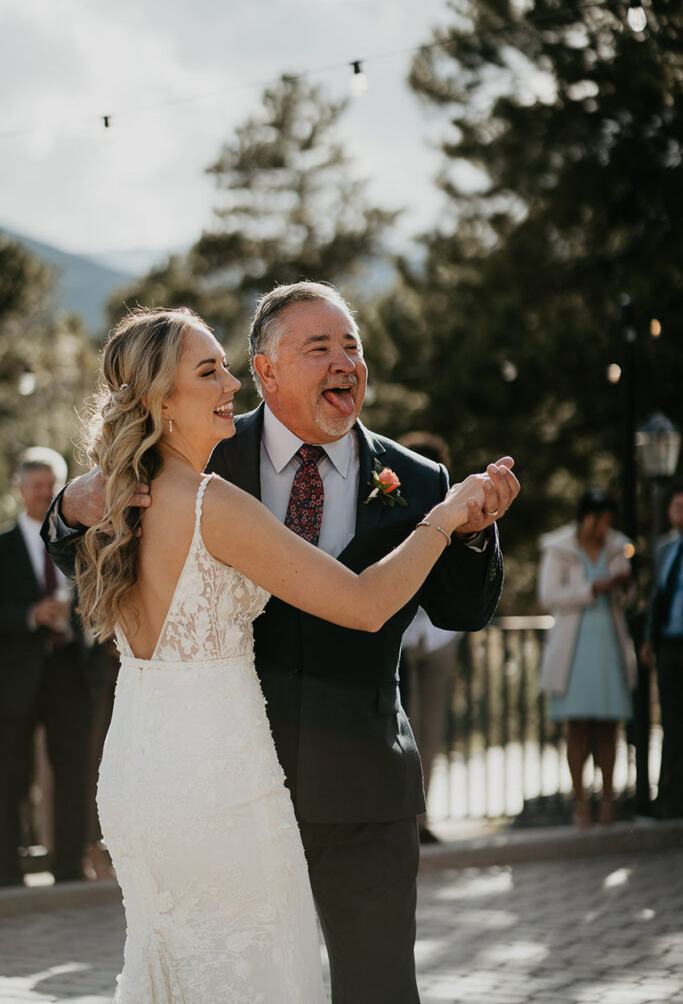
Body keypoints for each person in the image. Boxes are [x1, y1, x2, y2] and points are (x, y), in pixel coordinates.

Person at [44, 286, 519, 1002]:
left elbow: (461, 607)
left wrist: (468, 526)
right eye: (319, 347)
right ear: (266, 371)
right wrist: (66, 504)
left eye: (352, 346)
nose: (343, 362)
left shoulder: (414, 479)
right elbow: (359, 604)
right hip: (229, 786)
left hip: (332, 781)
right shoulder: (203, 470)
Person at [0, 447, 92, 886]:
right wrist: (29, 616)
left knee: (73, 773)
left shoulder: (80, 544)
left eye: (51, 486)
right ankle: (6, 873)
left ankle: (69, 868)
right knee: (10, 776)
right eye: (35, 486)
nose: (43, 494)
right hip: (14, 679)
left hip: (70, 673)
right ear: (21, 490)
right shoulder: (2, 548)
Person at [538, 490, 637, 829]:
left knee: (609, 726)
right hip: (574, 649)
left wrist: (623, 585)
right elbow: (548, 595)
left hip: (609, 643)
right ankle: (581, 804)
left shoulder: (619, 546)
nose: (604, 527)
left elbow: (630, 596)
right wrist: (591, 590)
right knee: (577, 726)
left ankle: (607, 803)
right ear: (585, 518)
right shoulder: (559, 547)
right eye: (600, 519)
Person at [398, 432, 462, 845]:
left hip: (440, 637)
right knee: (401, 731)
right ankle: (402, 818)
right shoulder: (390, 505)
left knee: (431, 730)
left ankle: (421, 818)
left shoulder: (454, 510)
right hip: (399, 637)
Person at [641, 479, 683, 818]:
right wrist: (649, 639)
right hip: (669, 644)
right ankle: (667, 797)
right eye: (677, 506)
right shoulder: (665, 549)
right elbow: (657, 597)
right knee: (670, 720)